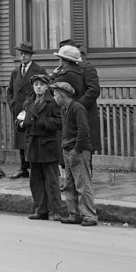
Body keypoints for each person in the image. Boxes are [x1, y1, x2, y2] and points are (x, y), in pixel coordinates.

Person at [50, 81, 98, 227]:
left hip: (78, 151)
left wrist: (77, 149)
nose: (54, 98)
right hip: (68, 149)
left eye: (55, 95)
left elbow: (83, 130)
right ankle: (74, 214)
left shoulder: (77, 108)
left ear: (62, 95)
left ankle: (89, 216)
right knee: (69, 184)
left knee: (83, 184)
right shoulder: (64, 109)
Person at [21, 74, 65, 221]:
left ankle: (56, 211)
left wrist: (44, 122)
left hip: (48, 144)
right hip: (33, 144)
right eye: (36, 85)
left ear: (47, 87)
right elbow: (21, 118)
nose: (38, 87)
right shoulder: (28, 102)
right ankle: (40, 210)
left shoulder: (53, 103)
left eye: (41, 84)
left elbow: (60, 121)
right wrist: (21, 124)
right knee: (36, 180)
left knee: (52, 181)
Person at [7, 41, 46, 179]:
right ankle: (23, 168)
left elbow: (44, 90)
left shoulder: (39, 70)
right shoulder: (15, 72)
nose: (23, 56)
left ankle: (34, 167)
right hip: (18, 110)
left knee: (31, 138)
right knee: (20, 138)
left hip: (32, 110)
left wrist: (35, 106)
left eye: (26, 54)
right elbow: (10, 90)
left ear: (31, 55)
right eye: (21, 53)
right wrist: (12, 104)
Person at [59, 38, 101, 160]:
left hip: (84, 114)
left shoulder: (87, 67)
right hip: (67, 118)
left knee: (83, 151)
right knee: (68, 153)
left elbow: (93, 90)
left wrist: (76, 106)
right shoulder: (61, 70)